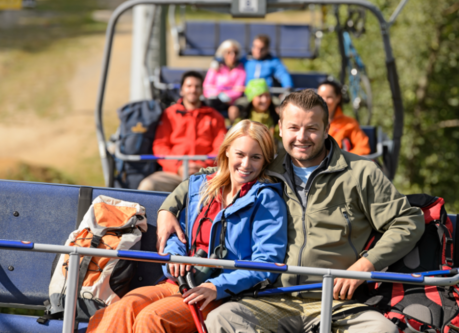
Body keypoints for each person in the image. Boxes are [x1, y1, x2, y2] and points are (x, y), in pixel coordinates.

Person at [156, 89, 425, 332]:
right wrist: (168, 208)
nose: (301, 137)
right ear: (280, 128)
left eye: (312, 128)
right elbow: (215, 174)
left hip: (335, 301)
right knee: (221, 320)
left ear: (327, 128)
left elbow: (407, 221)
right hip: (270, 298)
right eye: (293, 127)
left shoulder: (360, 173)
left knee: (382, 331)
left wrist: (364, 266)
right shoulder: (267, 165)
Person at [86, 120, 287, 333]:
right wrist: (175, 256)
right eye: (240, 154)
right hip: (178, 283)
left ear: (264, 160)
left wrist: (215, 287)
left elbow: (266, 264)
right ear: (227, 151)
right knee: (122, 308)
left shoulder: (266, 200)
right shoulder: (202, 187)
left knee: (152, 319)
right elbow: (178, 234)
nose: (246, 164)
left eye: (255, 157)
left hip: (221, 293)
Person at [137, 71, 227, 192]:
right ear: (182, 90)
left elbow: (220, 148)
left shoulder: (215, 117)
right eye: (189, 86)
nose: (193, 90)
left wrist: (203, 166)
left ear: (202, 90)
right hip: (174, 174)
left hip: (206, 175)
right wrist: (179, 167)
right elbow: (160, 146)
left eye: (197, 86)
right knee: (147, 185)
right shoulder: (169, 114)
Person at [317, 79, 371, 155]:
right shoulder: (307, 120)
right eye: (320, 97)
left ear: (338, 98)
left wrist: (343, 159)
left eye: (329, 97)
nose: (324, 100)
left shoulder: (349, 123)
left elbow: (363, 148)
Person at [203, 39, 246, 118]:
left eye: (235, 52)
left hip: (230, 102)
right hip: (213, 100)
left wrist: (226, 96)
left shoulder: (241, 70)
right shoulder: (215, 67)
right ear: (223, 53)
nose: (233, 55)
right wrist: (217, 95)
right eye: (229, 52)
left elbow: (238, 90)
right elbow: (207, 86)